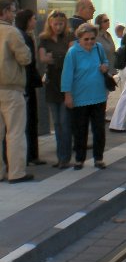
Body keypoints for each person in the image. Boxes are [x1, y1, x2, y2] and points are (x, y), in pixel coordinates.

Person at [61, 23, 109, 170]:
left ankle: (98, 158)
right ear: (79, 38)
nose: (89, 42)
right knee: (80, 130)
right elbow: (67, 74)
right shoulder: (73, 52)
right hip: (80, 97)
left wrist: (105, 67)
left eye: (92, 38)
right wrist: (67, 95)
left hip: (99, 96)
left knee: (99, 129)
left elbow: (106, 61)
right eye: (86, 39)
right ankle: (79, 159)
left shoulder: (98, 48)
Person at [0, 0, 33, 183]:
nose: (14, 15)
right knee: (15, 132)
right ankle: (16, 172)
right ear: (4, 12)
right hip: (11, 88)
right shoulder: (11, 32)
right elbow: (25, 58)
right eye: (12, 11)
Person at [39, 10, 73, 169]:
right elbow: (43, 58)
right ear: (50, 24)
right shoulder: (44, 39)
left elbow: (71, 57)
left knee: (65, 123)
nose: (58, 27)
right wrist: (60, 57)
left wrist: (55, 57)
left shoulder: (69, 37)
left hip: (66, 84)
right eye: (55, 24)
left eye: (61, 24)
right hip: (52, 84)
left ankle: (65, 157)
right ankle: (60, 157)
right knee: (57, 124)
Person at [15, 9, 45, 166]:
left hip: (25, 83)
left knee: (29, 120)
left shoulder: (25, 35)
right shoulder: (23, 36)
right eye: (33, 19)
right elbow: (28, 61)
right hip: (25, 84)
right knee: (28, 120)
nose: (35, 21)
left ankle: (31, 155)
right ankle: (30, 156)